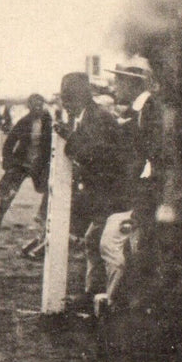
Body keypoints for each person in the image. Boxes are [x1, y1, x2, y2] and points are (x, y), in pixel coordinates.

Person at [54, 72, 127, 309]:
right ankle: (94, 293)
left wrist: (70, 138)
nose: (65, 104)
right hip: (101, 191)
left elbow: (97, 156)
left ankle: (108, 296)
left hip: (112, 191)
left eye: (68, 98)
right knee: (93, 240)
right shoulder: (88, 116)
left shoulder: (98, 118)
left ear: (80, 97)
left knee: (101, 242)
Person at [97, 67, 163, 308]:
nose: (115, 88)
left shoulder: (149, 108)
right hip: (142, 191)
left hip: (149, 192)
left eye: (119, 82)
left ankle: (115, 303)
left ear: (132, 84)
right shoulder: (140, 110)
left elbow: (152, 155)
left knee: (115, 242)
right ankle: (117, 300)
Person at [0, 93, 52, 230]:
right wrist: (8, 163)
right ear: (29, 107)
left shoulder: (49, 121)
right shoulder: (24, 121)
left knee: (50, 187)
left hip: (40, 164)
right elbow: (9, 142)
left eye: (40, 105)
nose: (38, 108)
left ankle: (41, 216)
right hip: (22, 162)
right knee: (9, 190)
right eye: (34, 105)